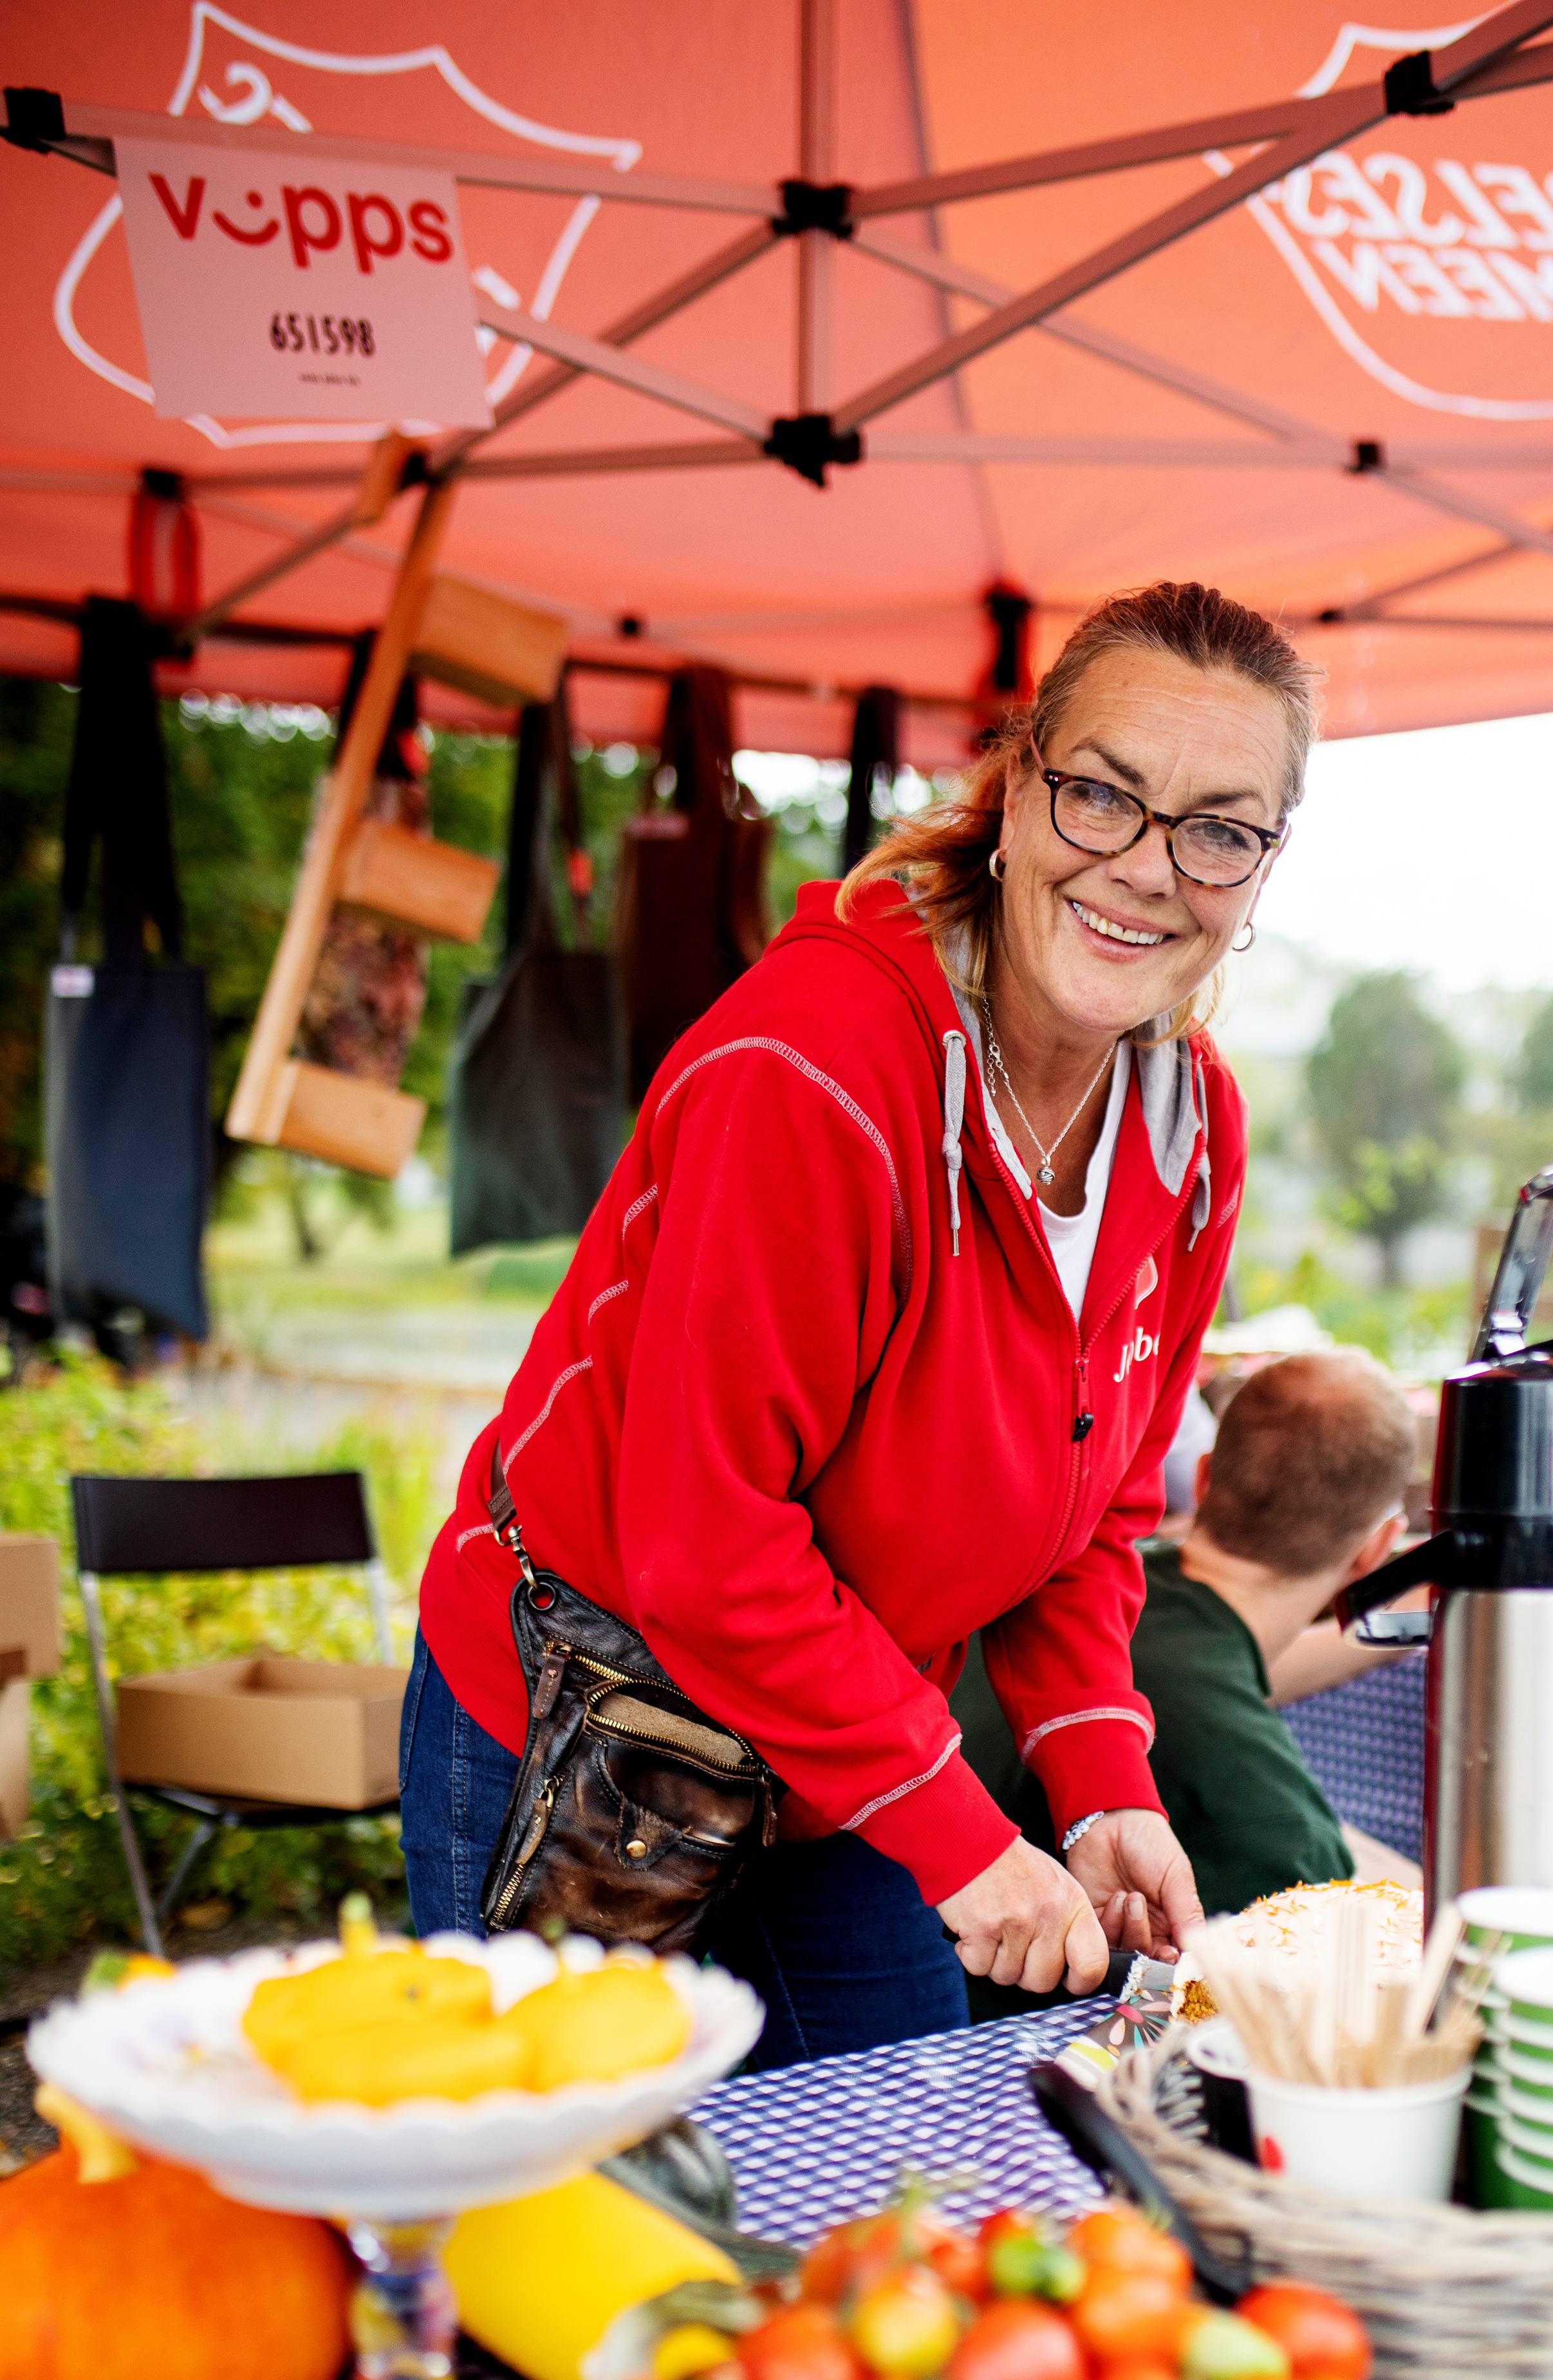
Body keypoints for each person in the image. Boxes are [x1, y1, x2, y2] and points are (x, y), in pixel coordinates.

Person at [402, 582, 1319, 2062]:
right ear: (1019, 790)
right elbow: (706, 1547)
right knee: (566, 2206)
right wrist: (964, 1834)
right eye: (1100, 796)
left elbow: (1089, 1510)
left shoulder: (1191, 1125)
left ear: (1261, 866)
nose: (1147, 868)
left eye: (1217, 827)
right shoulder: (814, 1068)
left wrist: (1098, 1776)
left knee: (898, 2161)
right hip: (594, 1724)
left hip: (841, 1747)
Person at [951, 1349, 1417, 1929]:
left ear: (1202, 1478)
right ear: (1378, 1549)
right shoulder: (1269, 1820)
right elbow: (1338, 1942)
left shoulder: (1083, 1582)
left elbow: (1207, 1665)